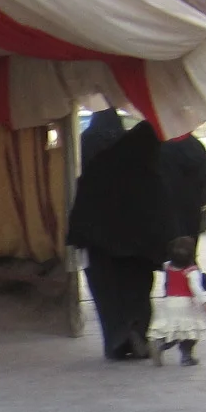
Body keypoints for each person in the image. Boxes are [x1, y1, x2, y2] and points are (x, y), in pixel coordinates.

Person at [67, 110, 167, 361]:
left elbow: (82, 210)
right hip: (138, 247)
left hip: (101, 246)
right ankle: (136, 329)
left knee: (107, 293)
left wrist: (77, 237)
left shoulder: (93, 170)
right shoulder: (144, 171)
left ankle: (116, 340)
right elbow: (160, 209)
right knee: (138, 291)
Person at [149, 235, 206, 367]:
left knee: (171, 329)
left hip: (169, 302)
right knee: (188, 333)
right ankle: (186, 357)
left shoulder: (167, 266)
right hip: (185, 304)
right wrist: (205, 301)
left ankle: (161, 345)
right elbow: (196, 287)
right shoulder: (191, 271)